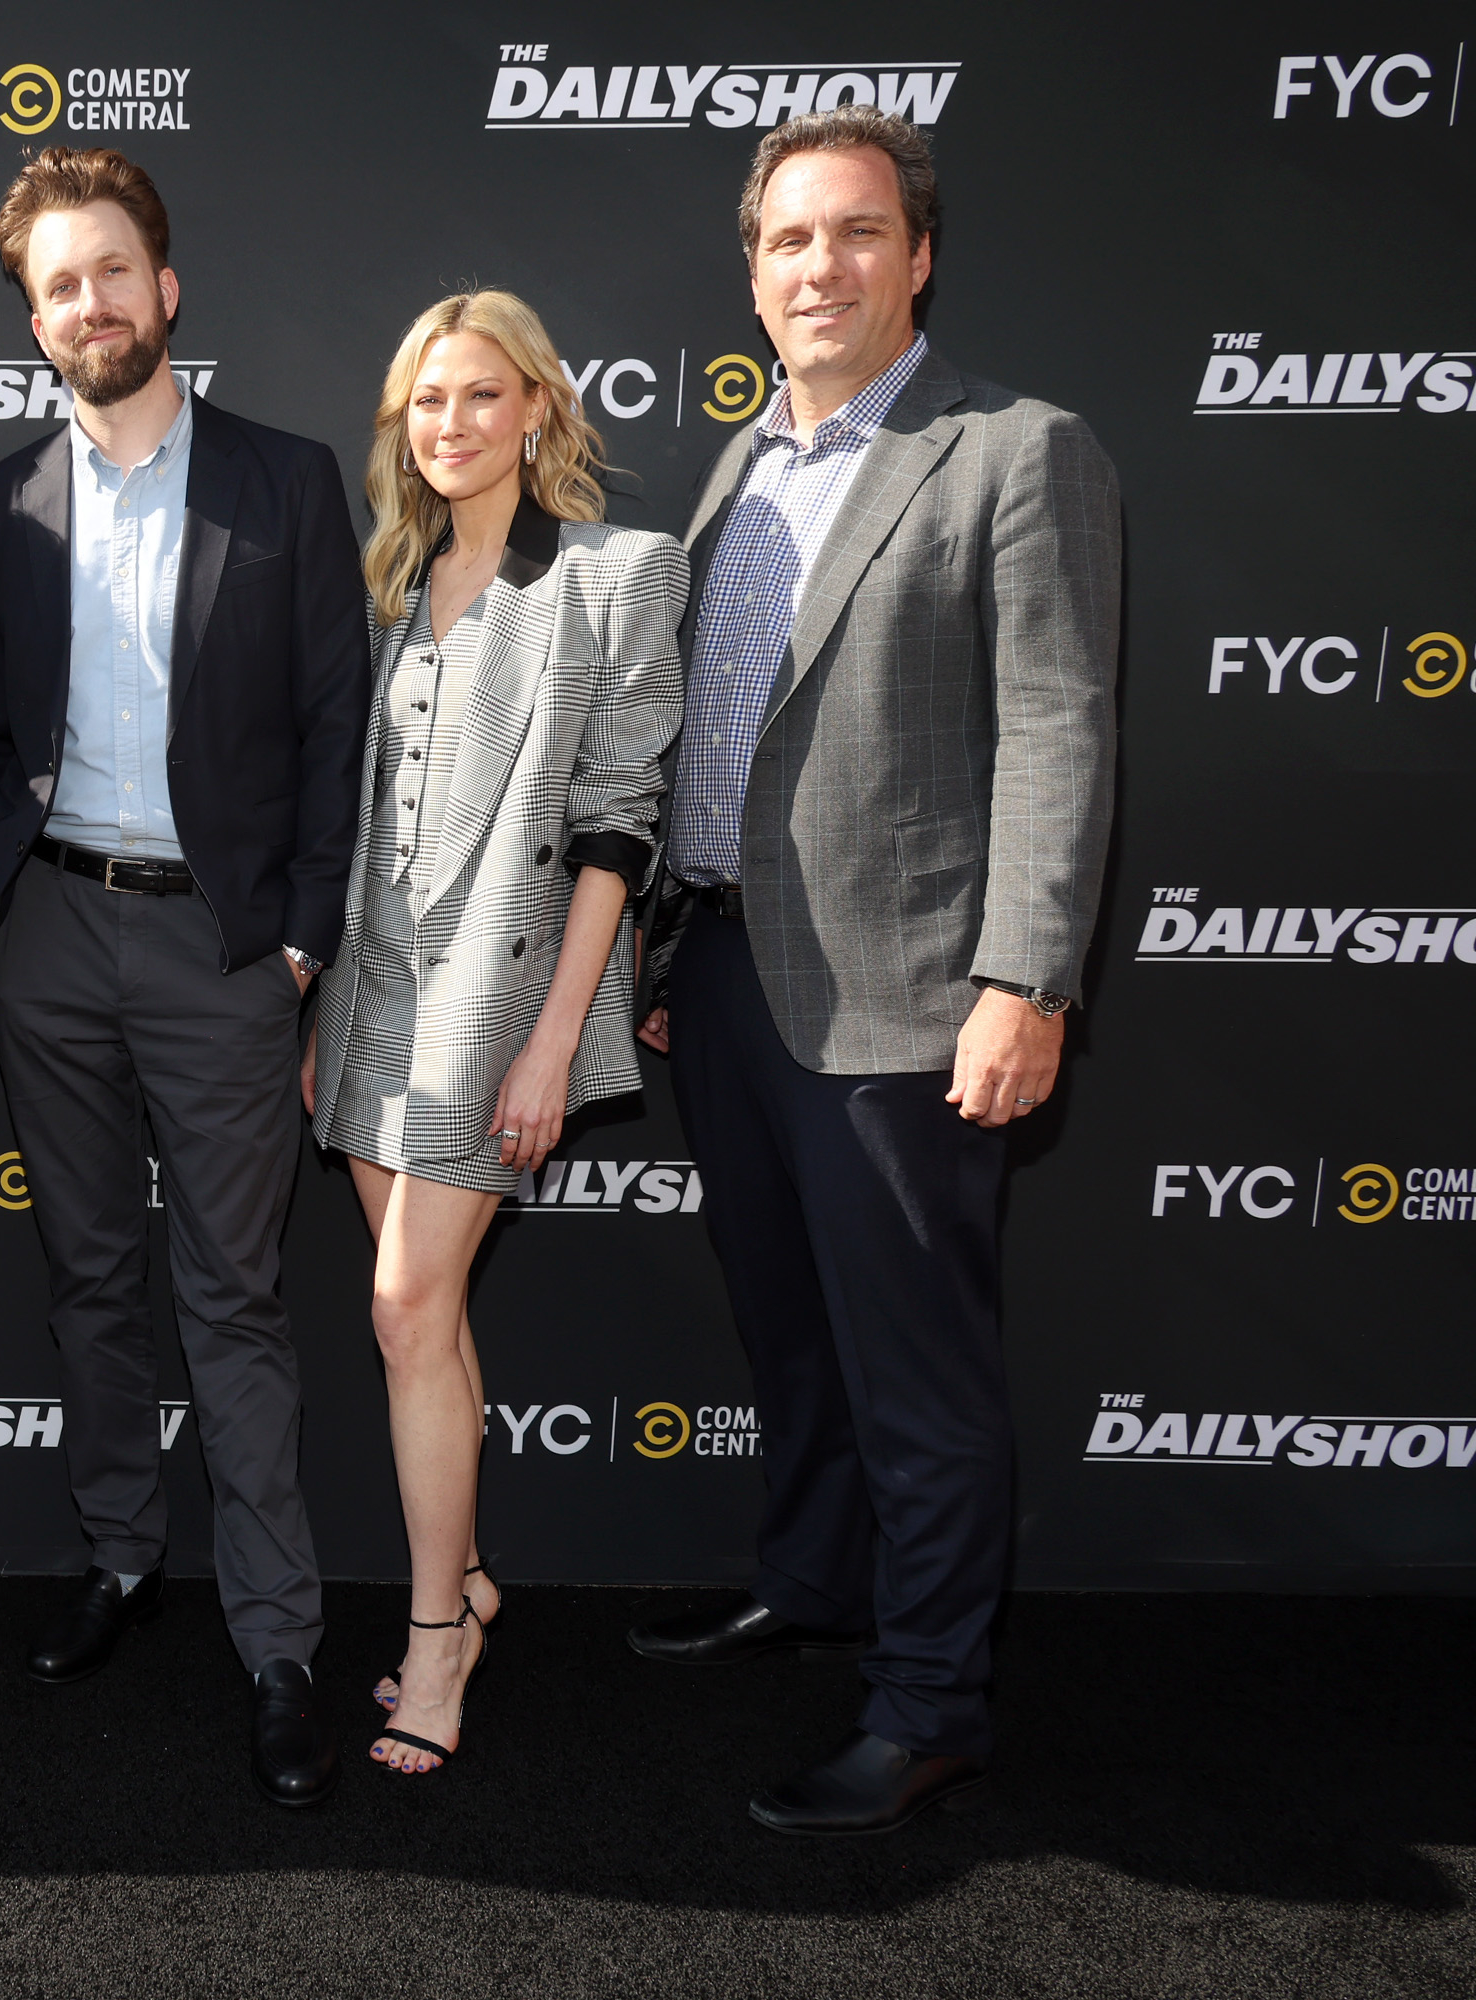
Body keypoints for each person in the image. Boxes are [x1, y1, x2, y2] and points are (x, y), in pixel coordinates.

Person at [627, 106, 1120, 1835]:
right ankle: (820, 1582)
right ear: (750, 270)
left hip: (913, 997)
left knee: (919, 1374)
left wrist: (1028, 981)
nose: (814, 267)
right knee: (797, 1339)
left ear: (917, 256)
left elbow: (1055, 730)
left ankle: (929, 1702)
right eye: (784, 241)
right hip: (736, 981)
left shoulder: (1012, 450)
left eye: (852, 234)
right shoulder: (745, 461)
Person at [0, 147, 370, 1809]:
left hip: (220, 944)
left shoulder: (282, 479)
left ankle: (277, 1638)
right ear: (36, 317)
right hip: (51, 935)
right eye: (60, 284)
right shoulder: (2, 502)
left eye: (114, 271)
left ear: (165, 291)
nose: (91, 304)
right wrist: (2, 891)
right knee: (88, 1272)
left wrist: (300, 938)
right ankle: (120, 1554)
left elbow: (339, 726)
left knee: (236, 1298)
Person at [306, 292, 685, 1777]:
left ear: (537, 406)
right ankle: (464, 1573)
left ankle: (434, 1640)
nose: (448, 424)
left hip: (500, 980)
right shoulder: (390, 590)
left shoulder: (614, 575)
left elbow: (617, 826)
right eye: (424, 402)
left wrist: (554, 1034)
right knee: (433, 1321)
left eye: (477, 395)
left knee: (404, 1310)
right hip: (372, 978)